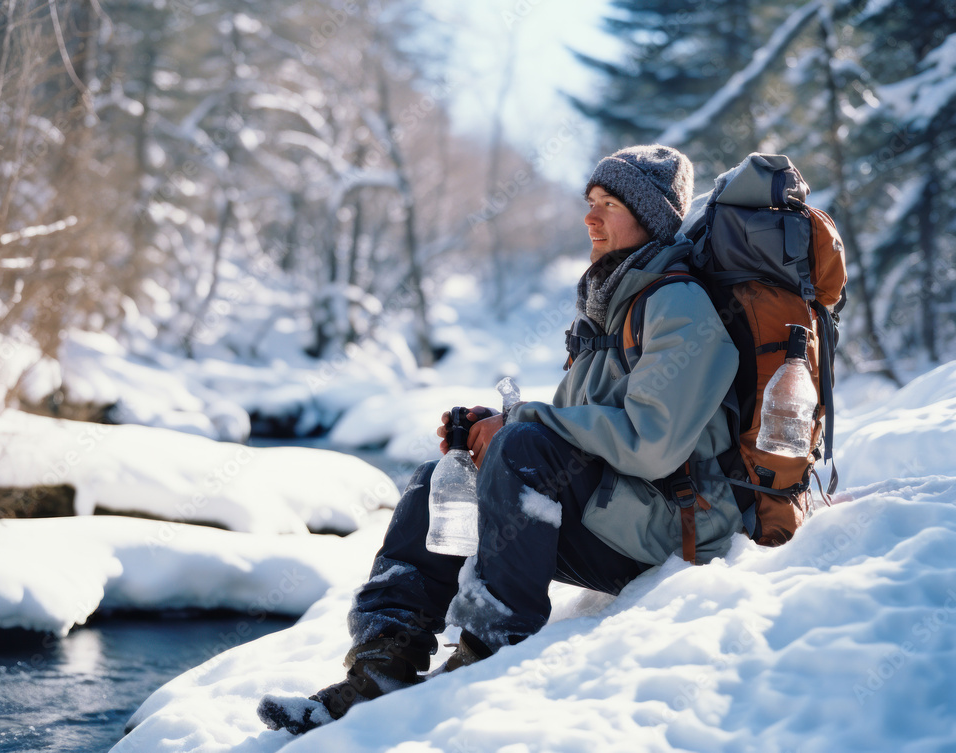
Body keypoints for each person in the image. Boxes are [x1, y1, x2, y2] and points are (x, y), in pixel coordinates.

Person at [258, 144, 742, 734]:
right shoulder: (615, 304)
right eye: (590, 202)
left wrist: (518, 428)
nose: (590, 218)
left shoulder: (678, 305)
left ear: (653, 218)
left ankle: (489, 654)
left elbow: (651, 444)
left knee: (518, 447)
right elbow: (577, 433)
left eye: (609, 205)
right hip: (621, 517)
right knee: (448, 472)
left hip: (675, 528)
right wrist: (494, 427)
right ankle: (383, 662)